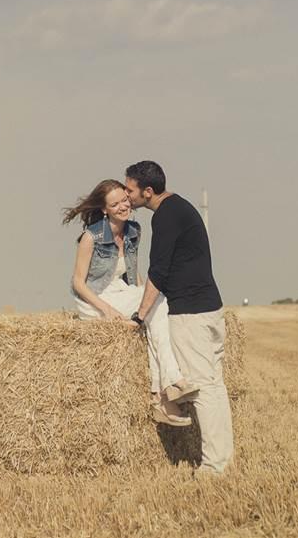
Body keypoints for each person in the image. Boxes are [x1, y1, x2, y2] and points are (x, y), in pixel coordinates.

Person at [125, 160, 234, 474]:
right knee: (214, 386)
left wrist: (140, 316)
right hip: (209, 307)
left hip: (192, 312)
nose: (127, 196)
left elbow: (158, 272)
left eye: (130, 190)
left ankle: (214, 467)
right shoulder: (181, 208)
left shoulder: (167, 217)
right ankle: (223, 460)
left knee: (201, 388)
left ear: (147, 191)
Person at [64, 179, 199, 426]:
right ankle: (168, 386)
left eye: (124, 200)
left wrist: (142, 299)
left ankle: (163, 393)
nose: (122, 206)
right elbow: (78, 283)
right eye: (114, 204)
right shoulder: (91, 236)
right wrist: (106, 310)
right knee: (156, 304)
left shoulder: (134, 230)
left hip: (119, 291)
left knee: (154, 306)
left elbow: (133, 273)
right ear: (104, 209)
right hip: (95, 299)